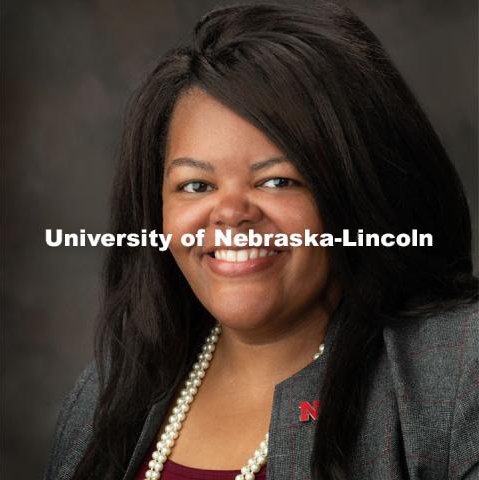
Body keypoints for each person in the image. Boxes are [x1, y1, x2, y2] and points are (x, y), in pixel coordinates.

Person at [44, 2, 479, 479]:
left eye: (278, 181)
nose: (230, 214)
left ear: (357, 194)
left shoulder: (458, 372)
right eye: (196, 185)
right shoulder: (104, 398)